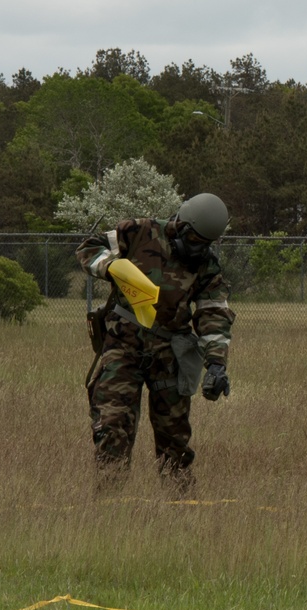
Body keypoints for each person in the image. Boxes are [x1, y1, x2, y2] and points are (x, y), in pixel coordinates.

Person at [76, 193, 235, 495]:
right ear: (181, 223)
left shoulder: (206, 266)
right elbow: (89, 249)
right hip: (123, 347)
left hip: (170, 354)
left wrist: (216, 364)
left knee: (174, 441)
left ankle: (180, 510)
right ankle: (110, 507)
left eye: (204, 243)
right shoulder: (139, 231)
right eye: (193, 239)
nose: (196, 248)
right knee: (112, 427)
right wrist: (109, 267)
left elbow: (213, 313)